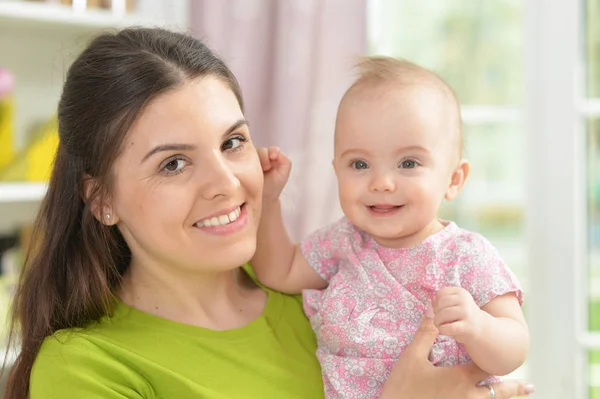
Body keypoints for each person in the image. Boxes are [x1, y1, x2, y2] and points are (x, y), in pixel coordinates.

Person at [1, 28, 534, 399]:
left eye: (233, 142)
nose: (227, 182)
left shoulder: (317, 297)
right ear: (102, 200)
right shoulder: (87, 369)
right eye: (174, 163)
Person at [251, 56, 530, 399]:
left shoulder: (466, 255)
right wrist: (268, 202)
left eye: (408, 163)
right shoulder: (343, 240)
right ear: (337, 170)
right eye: (360, 163)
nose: (381, 182)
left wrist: (478, 326)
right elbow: (280, 270)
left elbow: (514, 346)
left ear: (454, 179)